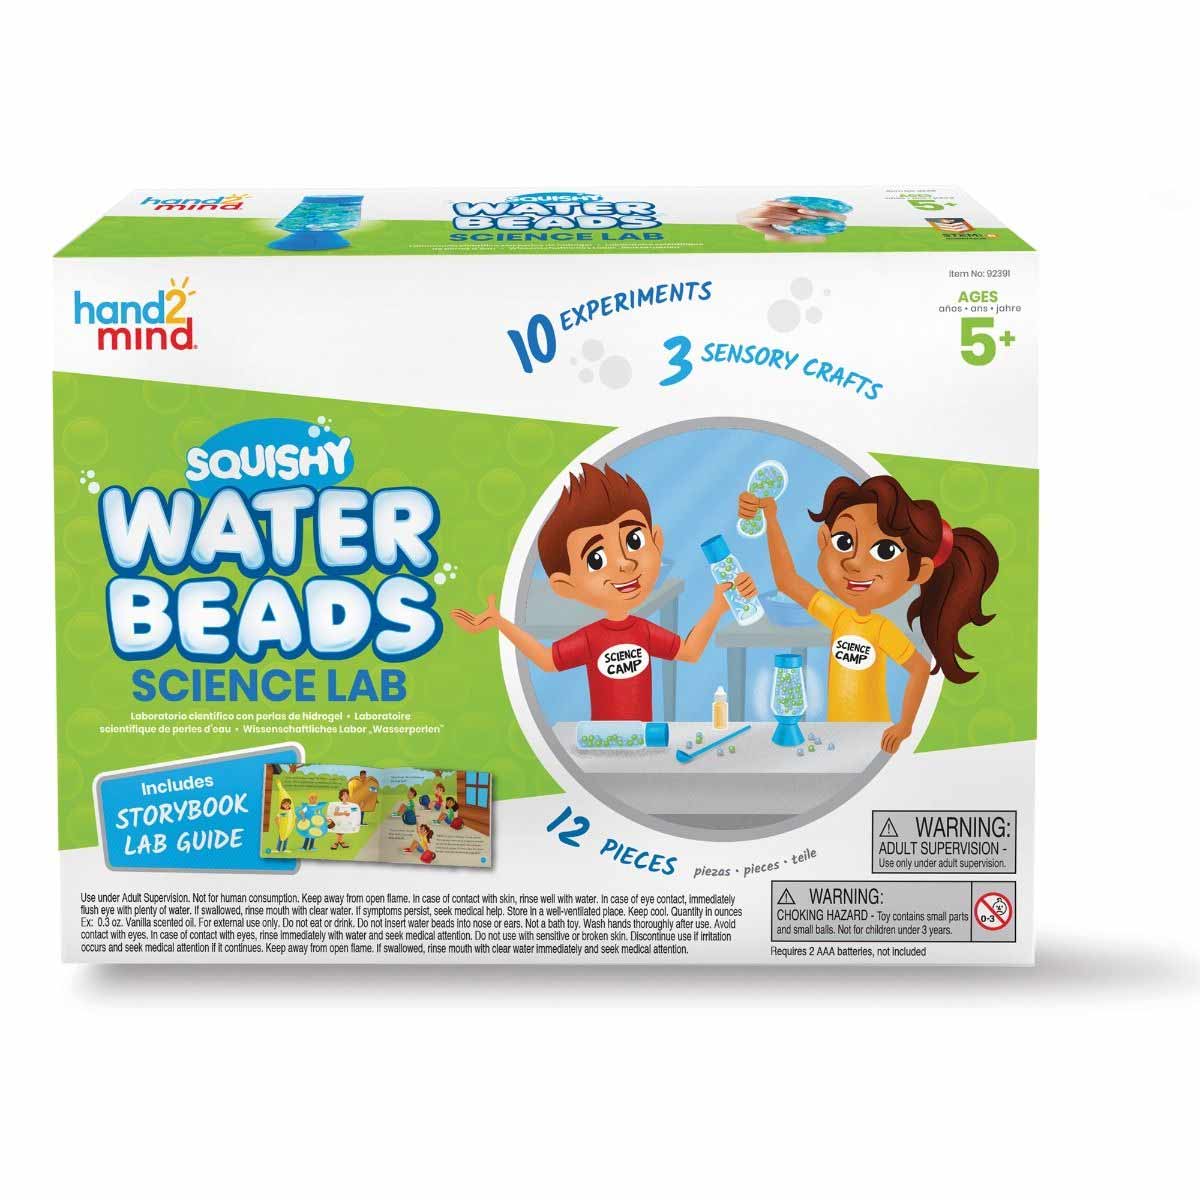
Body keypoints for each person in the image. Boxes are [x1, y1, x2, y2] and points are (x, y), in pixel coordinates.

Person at [452, 462, 756, 722]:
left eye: (634, 541)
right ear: (566, 585)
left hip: (644, 740)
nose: (624, 564)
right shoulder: (591, 638)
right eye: (596, 559)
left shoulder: (644, 632)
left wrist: (717, 608)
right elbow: (546, 660)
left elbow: (689, 652)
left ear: (656, 541)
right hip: (601, 741)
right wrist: (500, 623)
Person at [739, 474, 998, 752]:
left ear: (920, 571)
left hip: (871, 737)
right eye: (844, 542)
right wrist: (771, 519)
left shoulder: (881, 629)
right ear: (824, 539)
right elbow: (787, 581)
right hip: (836, 735)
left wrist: (904, 725)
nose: (854, 563)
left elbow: (920, 669)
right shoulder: (839, 616)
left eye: (885, 550)